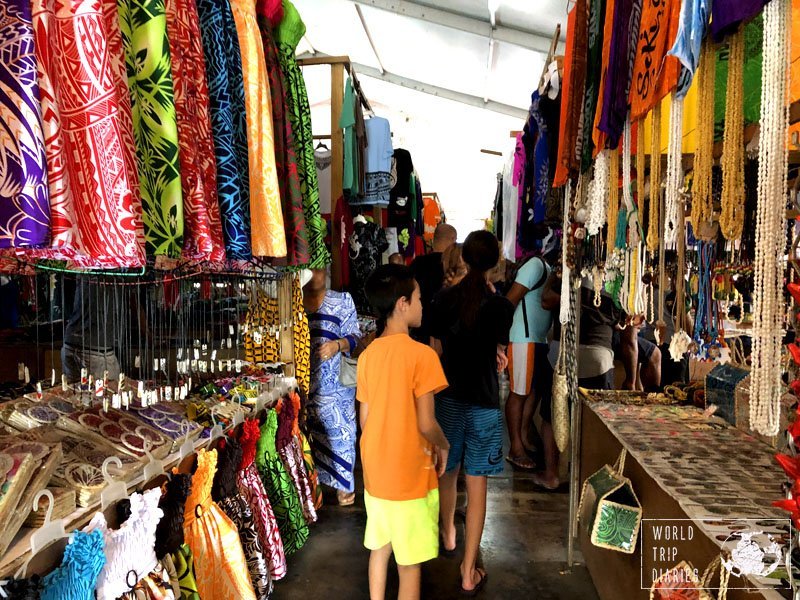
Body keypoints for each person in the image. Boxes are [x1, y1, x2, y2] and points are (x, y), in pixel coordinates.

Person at [358, 264, 450, 600]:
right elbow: (427, 424)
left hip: (376, 473)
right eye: (419, 298)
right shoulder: (422, 356)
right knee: (409, 565)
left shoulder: (368, 356)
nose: (423, 305)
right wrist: (445, 445)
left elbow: (365, 420)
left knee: (379, 550)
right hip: (410, 475)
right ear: (402, 303)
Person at [430, 230, 513, 595]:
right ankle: (468, 570)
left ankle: (448, 534)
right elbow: (495, 346)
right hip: (483, 403)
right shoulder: (500, 307)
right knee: (476, 484)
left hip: (448, 398)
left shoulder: (442, 299)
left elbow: (436, 348)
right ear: (494, 263)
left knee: (447, 472)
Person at [303, 269, 362, 506]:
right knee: (308, 437)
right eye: (310, 268)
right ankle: (311, 488)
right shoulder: (293, 300)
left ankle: (343, 489)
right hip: (305, 385)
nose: (316, 274)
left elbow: (356, 337)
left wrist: (338, 345)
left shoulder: (342, 300)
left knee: (341, 437)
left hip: (337, 391)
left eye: (319, 268)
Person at [504, 254, 552, 471]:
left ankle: (523, 436)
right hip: (524, 337)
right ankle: (515, 448)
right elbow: (511, 300)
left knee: (534, 390)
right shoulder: (535, 265)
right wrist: (500, 337)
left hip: (538, 337)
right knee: (519, 392)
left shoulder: (549, 268)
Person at [62, 276, 121, 383]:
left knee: (75, 395)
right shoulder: (116, 269)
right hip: (96, 350)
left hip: (70, 342)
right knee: (106, 395)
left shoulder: (81, 266)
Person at [410, 223, 457, 343]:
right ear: (452, 240)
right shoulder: (452, 267)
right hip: (445, 331)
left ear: (433, 240)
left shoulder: (417, 264)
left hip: (419, 327)